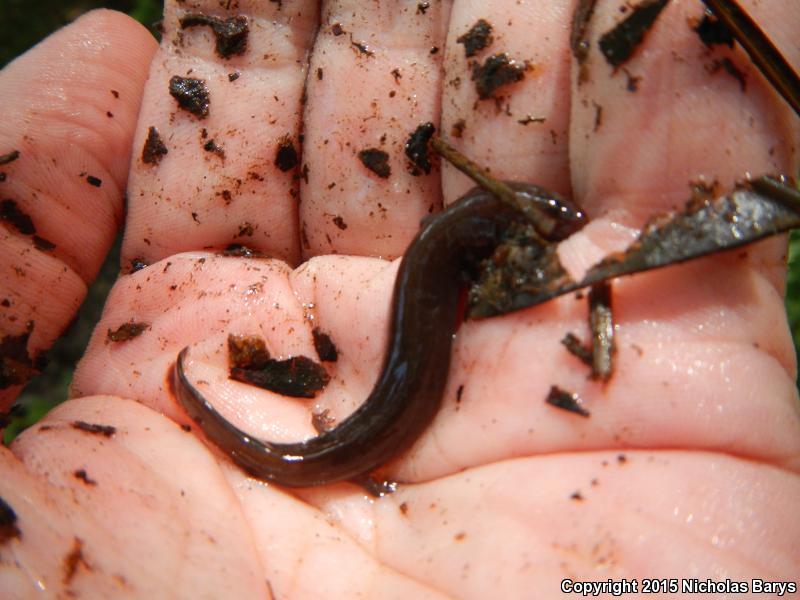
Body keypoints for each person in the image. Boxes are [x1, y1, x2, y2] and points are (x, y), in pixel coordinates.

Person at [0, 2, 798, 597]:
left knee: (388, 392)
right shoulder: (466, 238)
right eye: (551, 223)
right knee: (379, 404)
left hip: (387, 406)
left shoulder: (463, 241)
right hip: (377, 420)